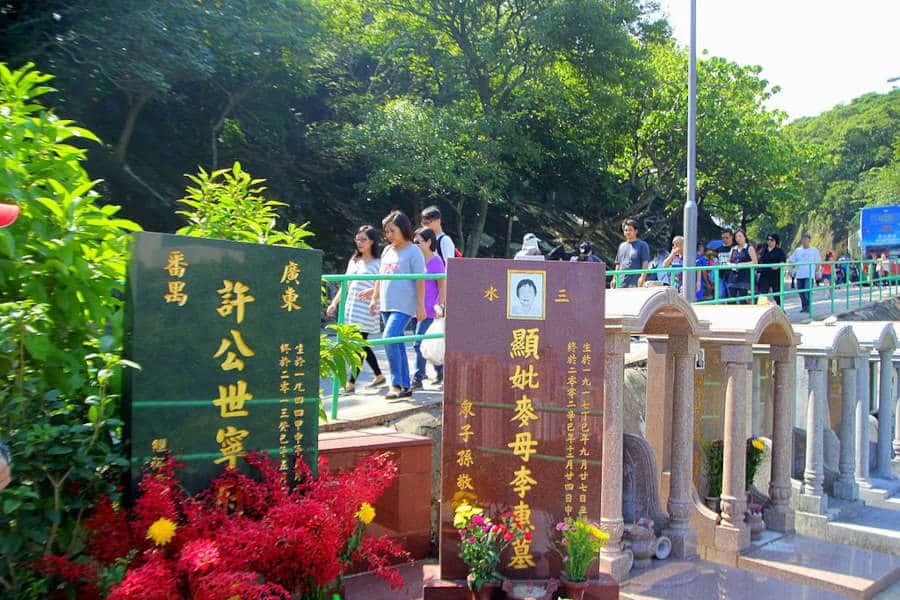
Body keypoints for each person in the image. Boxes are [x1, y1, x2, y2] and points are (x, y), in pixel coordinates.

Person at [369, 210, 426, 400]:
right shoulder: (387, 250)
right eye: (386, 232)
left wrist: (420, 306)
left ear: (403, 229)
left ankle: (395, 384)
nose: (388, 235)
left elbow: (420, 280)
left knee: (389, 337)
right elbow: (380, 276)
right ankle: (405, 385)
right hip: (387, 303)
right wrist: (374, 298)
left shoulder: (413, 251)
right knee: (397, 343)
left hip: (404, 305)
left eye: (392, 231)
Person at [326, 226, 386, 394]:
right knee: (361, 345)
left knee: (358, 346)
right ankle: (379, 375)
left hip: (367, 309)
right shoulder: (354, 260)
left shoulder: (378, 263)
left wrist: (372, 294)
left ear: (372, 241)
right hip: (351, 307)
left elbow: (383, 285)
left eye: (363, 239)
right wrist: (334, 303)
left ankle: (351, 382)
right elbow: (345, 284)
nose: (359, 243)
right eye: (357, 239)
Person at [411, 227, 446, 389]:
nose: (416, 244)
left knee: (419, 344)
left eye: (419, 242)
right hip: (415, 309)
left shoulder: (436, 262)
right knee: (425, 345)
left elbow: (442, 286)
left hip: (430, 311)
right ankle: (440, 370)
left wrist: (441, 306)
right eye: (414, 242)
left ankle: (418, 377)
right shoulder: (415, 261)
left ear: (429, 242)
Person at [611, 219, 650, 288]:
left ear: (636, 231)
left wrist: (642, 278)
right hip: (621, 283)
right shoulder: (621, 246)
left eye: (630, 230)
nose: (628, 232)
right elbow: (618, 264)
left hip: (635, 283)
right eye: (626, 230)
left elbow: (645, 263)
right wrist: (614, 279)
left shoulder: (643, 245)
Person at [789, 232, 821, 313]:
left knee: (807, 291)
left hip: (809, 274)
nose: (804, 240)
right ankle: (804, 307)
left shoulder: (814, 250)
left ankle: (808, 307)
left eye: (806, 239)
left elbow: (817, 262)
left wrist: (817, 272)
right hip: (800, 274)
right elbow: (792, 260)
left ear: (809, 240)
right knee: (801, 292)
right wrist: (791, 269)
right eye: (803, 239)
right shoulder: (798, 250)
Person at [726, 229, 758, 303]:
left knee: (743, 301)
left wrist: (741, 265)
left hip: (744, 278)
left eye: (740, 236)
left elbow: (755, 262)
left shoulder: (749, 248)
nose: (738, 238)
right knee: (730, 300)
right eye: (736, 237)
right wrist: (732, 265)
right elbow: (728, 262)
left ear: (744, 237)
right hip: (733, 278)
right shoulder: (733, 249)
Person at [758, 233, 786, 306]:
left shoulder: (779, 251)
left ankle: (781, 310)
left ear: (776, 241)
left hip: (775, 276)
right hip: (764, 275)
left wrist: (778, 266)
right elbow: (759, 259)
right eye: (768, 239)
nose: (769, 241)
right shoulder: (763, 250)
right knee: (763, 294)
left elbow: (783, 262)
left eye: (771, 240)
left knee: (777, 295)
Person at [716, 229, 734, 300]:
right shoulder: (719, 249)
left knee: (731, 296)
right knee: (720, 295)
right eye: (723, 238)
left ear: (731, 237)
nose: (724, 239)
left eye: (727, 237)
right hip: (721, 275)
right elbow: (717, 261)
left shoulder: (735, 248)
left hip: (732, 275)